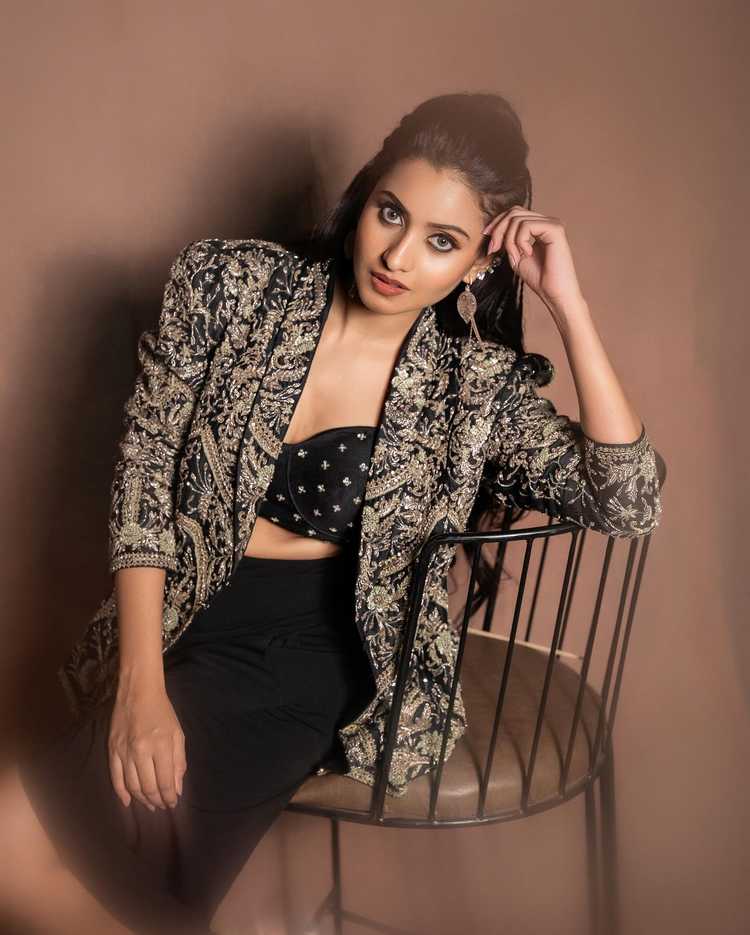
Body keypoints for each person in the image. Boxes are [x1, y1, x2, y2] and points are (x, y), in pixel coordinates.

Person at [1, 92, 665, 934]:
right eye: (392, 212)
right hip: (181, 609)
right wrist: (139, 681)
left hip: (314, 651)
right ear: (367, 194)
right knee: (85, 872)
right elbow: (146, 468)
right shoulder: (233, 285)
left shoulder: (469, 387)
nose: (397, 256)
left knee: (22, 843)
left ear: (478, 263)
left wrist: (569, 304)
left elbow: (627, 499)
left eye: (442, 241)